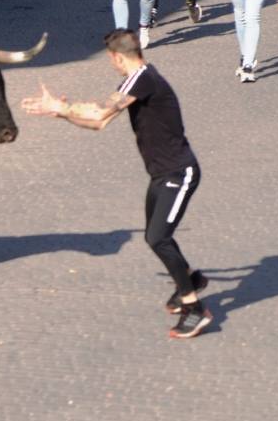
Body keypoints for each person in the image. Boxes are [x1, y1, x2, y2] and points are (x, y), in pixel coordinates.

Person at [21, 29, 212, 339]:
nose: (111, 65)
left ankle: (194, 309)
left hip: (179, 173)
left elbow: (98, 111)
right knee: (157, 236)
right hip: (162, 174)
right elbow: (99, 122)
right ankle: (191, 279)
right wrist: (61, 114)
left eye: (110, 60)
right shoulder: (137, 80)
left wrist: (61, 107)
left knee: (158, 238)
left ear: (117, 57)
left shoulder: (142, 79)